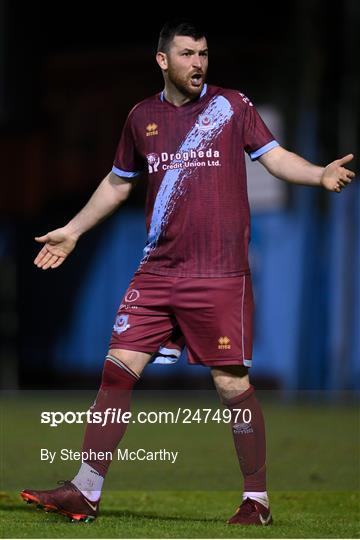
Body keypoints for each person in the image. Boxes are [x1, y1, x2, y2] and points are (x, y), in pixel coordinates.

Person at [20, 20, 355, 526]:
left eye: (203, 54)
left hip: (218, 274)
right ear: (162, 60)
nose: (197, 63)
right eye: (187, 54)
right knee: (116, 370)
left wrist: (318, 174)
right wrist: (73, 230)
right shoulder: (142, 116)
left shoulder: (231, 106)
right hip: (157, 272)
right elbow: (117, 183)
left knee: (230, 383)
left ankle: (257, 502)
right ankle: (85, 491)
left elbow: (276, 157)